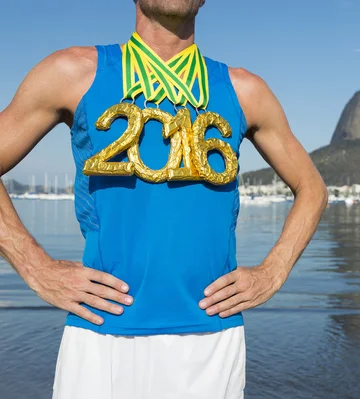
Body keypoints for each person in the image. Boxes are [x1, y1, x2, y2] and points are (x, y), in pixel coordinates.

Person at [0, 1, 328, 398]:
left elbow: (312, 188)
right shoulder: (73, 73)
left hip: (211, 337)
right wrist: (37, 268)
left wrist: (273, 272)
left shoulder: (245, 91)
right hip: (103, 331)